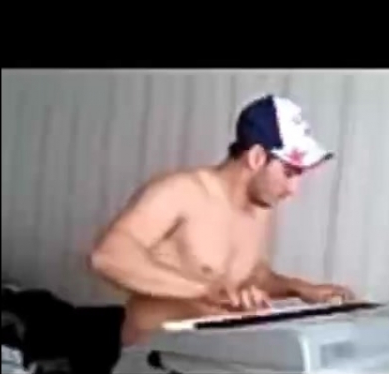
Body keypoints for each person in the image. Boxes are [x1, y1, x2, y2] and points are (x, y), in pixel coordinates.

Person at [90, 94, 361, 345]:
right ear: (256, 157)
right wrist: (204, 290)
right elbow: (108, 257)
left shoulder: (260, 207)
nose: (293, 190)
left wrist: (300, 289)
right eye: (289, 173)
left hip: (214, 355)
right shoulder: (180, 191)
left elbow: (252, 274)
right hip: (153, 357)